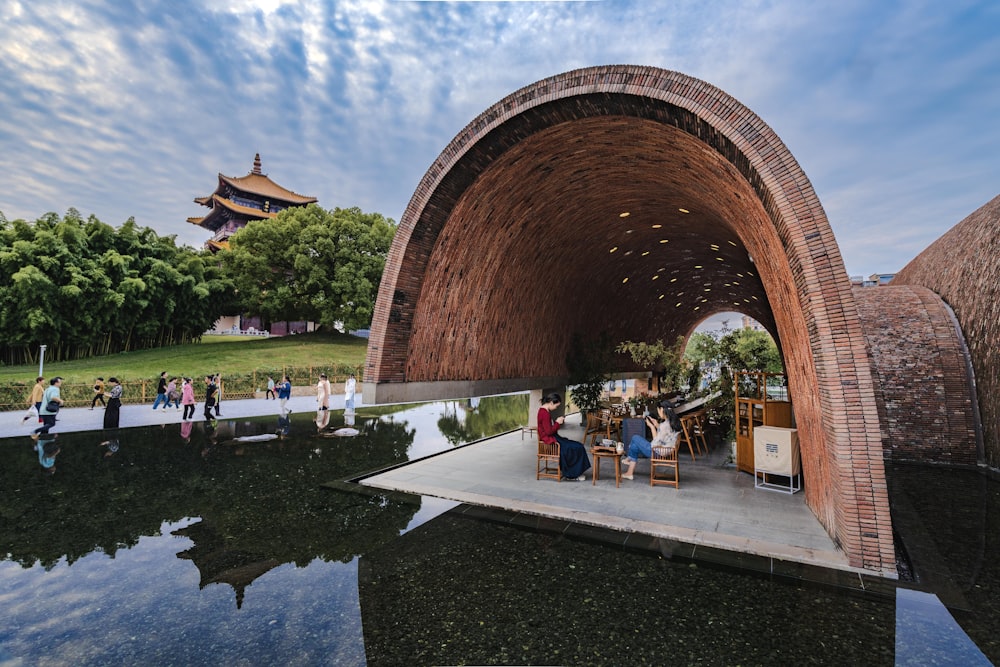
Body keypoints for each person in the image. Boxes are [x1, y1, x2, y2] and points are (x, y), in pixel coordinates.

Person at [620, 399, 682, 480]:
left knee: (635, 438)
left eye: (658, 411)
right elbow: (666, 434)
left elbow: (655, 443)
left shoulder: (664, 425)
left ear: (662, 409)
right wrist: (657, 425)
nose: (658, 413)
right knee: (635, 445)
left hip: (659, 453)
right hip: (670, 452)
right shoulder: (674, 422)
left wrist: (652, 427)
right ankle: (629, 472)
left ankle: (630, 458)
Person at [537, 392, 591, 481]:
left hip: (553, 438)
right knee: (576, 447)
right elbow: (549, 431)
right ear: (551, 403)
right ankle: (572, 474)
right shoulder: (545, 413)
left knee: (577, 446)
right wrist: (558, 422)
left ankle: (575, 472)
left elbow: (548, 428)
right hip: (551, 441)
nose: (555, 408)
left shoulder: (543, 411)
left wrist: (557, 422)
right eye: (556, 406)